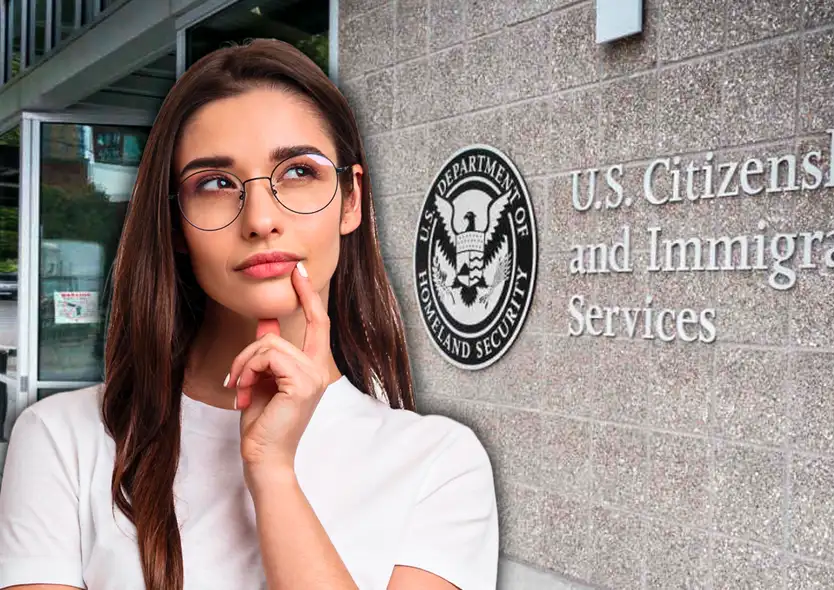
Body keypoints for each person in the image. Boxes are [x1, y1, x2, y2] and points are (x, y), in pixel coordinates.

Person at [0, 39, 498, 590]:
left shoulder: (440, 463)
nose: (261, 218)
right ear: (176, 224)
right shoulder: (63, 440)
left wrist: (272, 472)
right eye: (214, 183)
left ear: (351, 200)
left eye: (298, 172)